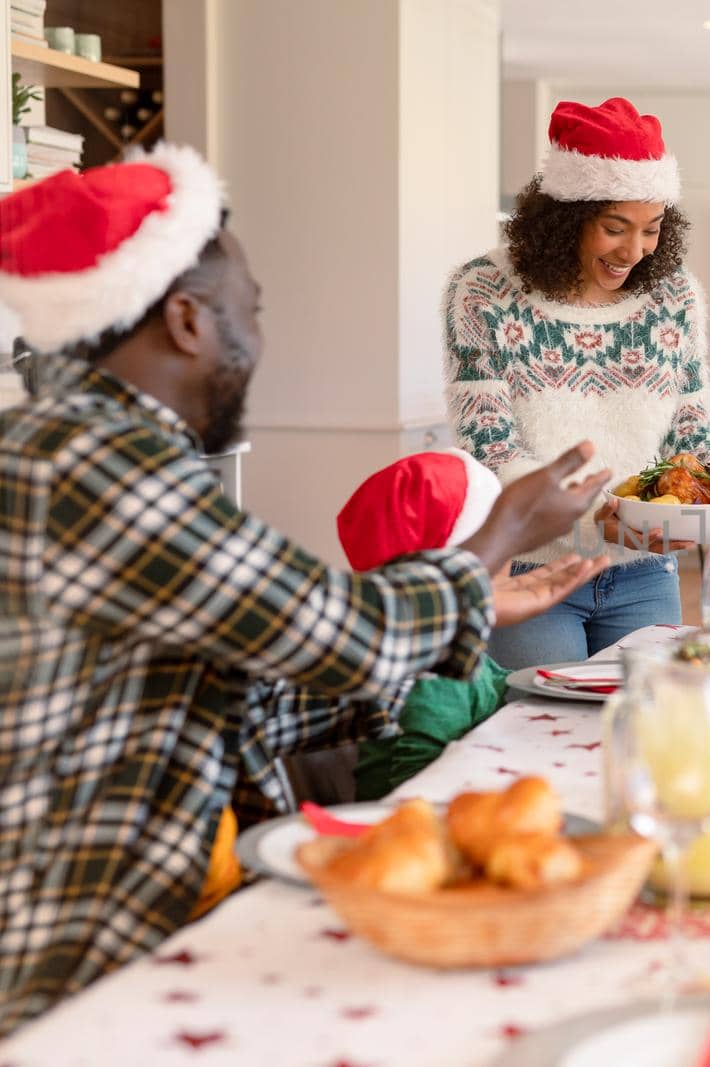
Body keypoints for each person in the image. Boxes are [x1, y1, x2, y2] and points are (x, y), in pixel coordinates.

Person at [0, 145, 610, 1035]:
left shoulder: (78, 447)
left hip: (136, 929)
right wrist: (500, 534)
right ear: (187, 320)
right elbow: (348, 633)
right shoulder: (93, 464)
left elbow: (223, 696)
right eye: (252, 307)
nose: (258, 333)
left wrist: (474, 597)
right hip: (73, 970)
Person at [443, 96, 710, 668]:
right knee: (540, 737)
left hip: (646, 574)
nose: (635, 251)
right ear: (565, 219)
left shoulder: (674, 297)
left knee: (650, 733)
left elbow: (691, 431)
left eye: (651, 230)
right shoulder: (484, 291)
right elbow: (489, 445)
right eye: (614, 228)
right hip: (531, 572)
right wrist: (597, 513)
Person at [335, 449, 606, 799]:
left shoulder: (452, 644)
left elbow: (492, 687)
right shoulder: (434, 679)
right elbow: (418, 794)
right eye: (502, 538)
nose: (512, 553)